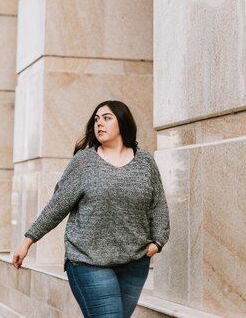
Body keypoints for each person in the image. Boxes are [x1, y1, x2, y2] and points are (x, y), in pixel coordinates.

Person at [12, 100, 170, 318]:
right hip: (88, 260)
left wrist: (157, 243)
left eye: (107, 118)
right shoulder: (84, 161)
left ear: (122, 122)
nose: (99, 124)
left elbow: (158, 205)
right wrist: (28, 241)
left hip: (135, 261)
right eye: (96, 119)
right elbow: (57, 205)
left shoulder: (145, 162)